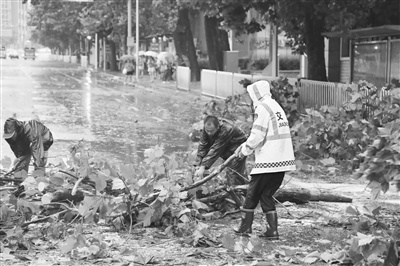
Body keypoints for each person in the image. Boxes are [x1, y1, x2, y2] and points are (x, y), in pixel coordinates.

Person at [233, 80, 296, 240]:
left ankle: (245, 228)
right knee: (266, 195)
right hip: (282, 161)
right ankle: (272, 231)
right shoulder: (275, 106)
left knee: (252, 193)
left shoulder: (263, 108)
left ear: (256, 94)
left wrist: (245, 151)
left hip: (268, 161)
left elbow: (257, 135)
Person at [194, 116, 248, 186]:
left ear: (218, 127)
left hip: (238, 148)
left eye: (211, 131)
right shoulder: (207, 128)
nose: (209, 133)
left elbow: (216, 149)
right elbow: (203, 145)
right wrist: (198, 164)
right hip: (226, 148)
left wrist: (202, 167)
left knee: (233, 172)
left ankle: (239, 193)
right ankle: (247, 188)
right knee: (234, 173)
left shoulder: (227, 129)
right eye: (207, 131)